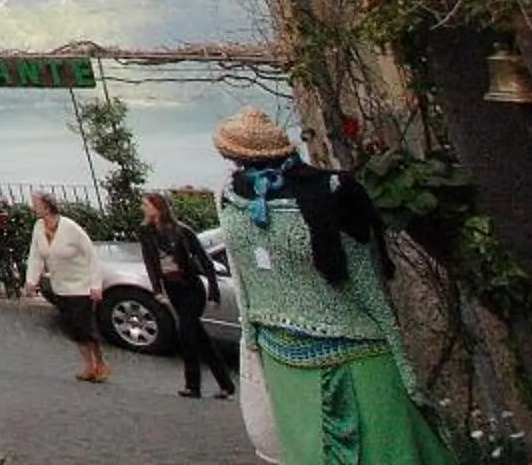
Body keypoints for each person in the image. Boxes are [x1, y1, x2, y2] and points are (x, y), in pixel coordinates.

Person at [212, 107, 452, 464]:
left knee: (386, 449)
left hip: (348, 353)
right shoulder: (232, 198)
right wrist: (252, 342)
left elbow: (367, 280)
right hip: (287, 356)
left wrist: (401, 362)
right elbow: (243, 276)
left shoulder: (331, 191)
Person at [138, 190, 236, 400]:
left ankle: (193, 385)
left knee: (186, 334)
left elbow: (205, 260)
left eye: (146, 205)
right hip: (173, 288)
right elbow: (150, 262)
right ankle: (226, 384)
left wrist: (214, 291)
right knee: (199, 338)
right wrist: (157, 290)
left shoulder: (181, 231)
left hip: (191, 288)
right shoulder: (146, 232)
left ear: (158, 208)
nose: (143, 209)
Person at [25, 191, 110, 382]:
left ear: (47, 206)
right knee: (73, 328)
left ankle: (101, 363)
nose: (33, 207)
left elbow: (91, 256)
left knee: (85, 327)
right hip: (60, 286)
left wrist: (96, 285)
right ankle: (88, 366)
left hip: (81, 286)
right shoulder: (39, 227)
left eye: (35, 204)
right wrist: (31, 280)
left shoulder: (70, 228)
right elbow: (36, 256)